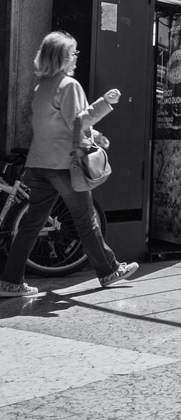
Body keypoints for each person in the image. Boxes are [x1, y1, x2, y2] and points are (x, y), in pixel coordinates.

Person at [0, 31, 140, 297]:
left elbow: (63, 124)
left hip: (39, 163)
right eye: (73, 53)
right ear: (63, 57)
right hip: (64, 164)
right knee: (85, 220)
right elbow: (78, 121)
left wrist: (95, 135)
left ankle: (10, 281)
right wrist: (105, 103)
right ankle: (109, 270)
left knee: (31, 224)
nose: (76, 57)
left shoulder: (41, 87)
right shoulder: (69, 85)